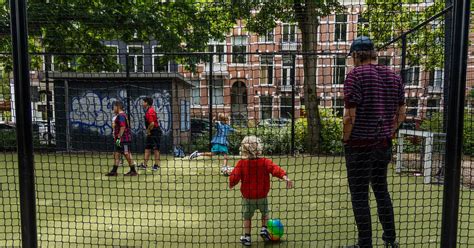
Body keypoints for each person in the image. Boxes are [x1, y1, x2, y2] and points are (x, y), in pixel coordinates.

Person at [342, 36, 406, 248]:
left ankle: (365, 244)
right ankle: (390, 239)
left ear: (357, 54)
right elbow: (401, 114)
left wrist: (346, 139)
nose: (351, 59)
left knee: (360, 195)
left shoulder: (355, 76)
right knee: (381, 190)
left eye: (352, 55)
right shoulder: (394, 77)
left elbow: (349, 117)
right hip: (382, 145)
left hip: (359, 145)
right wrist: (389, 131)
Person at [229, 136, 293, 246]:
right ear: (259, 148)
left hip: (248, 197)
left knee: (247, 217)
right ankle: (264, 229)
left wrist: (232, 183)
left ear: (243, 150)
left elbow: (234, 177)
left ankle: (247, 237)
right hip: (262, 195)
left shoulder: (241, 163)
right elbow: (275, 169)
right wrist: (284, 177)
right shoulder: (265, 162)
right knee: (265, 213)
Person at [106, 101, 138, 176]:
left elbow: (123, 127)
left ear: (118, 107)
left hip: (124, 140)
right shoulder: (121, 115)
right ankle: (114, 171)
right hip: (119, 140)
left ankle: (133, 171)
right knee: (117, 153)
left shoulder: (121, 115)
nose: (113, 108)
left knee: (127, 154)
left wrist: (119, 137)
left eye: (114, 107)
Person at [138, 97, 161, 171]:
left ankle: (156, 165)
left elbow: (152, 123)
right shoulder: (148, 110)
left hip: (155, 132)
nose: (142, 103)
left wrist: (148, 130)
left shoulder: (150, 111)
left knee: (156, 149)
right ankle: (144, 165)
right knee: (147, 148)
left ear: (146, 103)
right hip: (151, 132)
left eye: (143, 102)